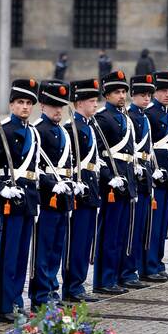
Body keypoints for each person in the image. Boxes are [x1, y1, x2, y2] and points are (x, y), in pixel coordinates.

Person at [0, 79, 41, 323]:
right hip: (10, 199)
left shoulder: (34, 132)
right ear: (11, 104)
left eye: (29, 103)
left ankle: (17, 301)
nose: (25, 107)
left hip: (27, 198)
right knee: (8, 254)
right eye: (20, 102)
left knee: (21, 255)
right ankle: (4, 306)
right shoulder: (3, 131)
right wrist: (1, 189)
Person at [92, 70, 136, 294]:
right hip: (111, 184)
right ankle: (104, 279)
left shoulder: (124, 117)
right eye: (117, 92)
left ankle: (117, 275)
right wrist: (110, 177)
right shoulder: (102, 118)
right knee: (109, 233)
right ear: (107, 95)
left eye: (123, 91)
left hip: (126, 179)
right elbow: (98, 154)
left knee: (121, 233)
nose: (122, 96)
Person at [30, 80, 73, 306]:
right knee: (43, 248)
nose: (58, 110)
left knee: (57, 247)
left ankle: (51, 290)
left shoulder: (62, 131)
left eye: (61, 106)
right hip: (47, 198)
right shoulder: (38, 131)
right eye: (53, 105)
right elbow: (33, 168)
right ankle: (40, 294)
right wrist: (49, 184)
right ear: (43, 106)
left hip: (63, 196)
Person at [63, 79, 103, 302]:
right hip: (79, 191)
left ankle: (78, 283)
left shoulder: (90, 126)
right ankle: (72, 286)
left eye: (96, 100)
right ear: (78, 103)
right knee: (76, 241)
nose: (95, 105)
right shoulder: (72, 128)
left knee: (86, 240)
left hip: (91, 189)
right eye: (91, 101)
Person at [142, 72, 168, 282]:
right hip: (156, 174)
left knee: (163, 224)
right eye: (163, 91)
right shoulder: (150, 114)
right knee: (153, 225)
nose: (167, 94)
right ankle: (148, 265)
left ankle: (157, 263)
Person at [122, 75, 158, 288]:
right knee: (132, 229)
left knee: (142, 228)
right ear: (133, 96)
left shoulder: (144, 117)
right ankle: (127, 271)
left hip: (146, 173)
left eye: (148, 95)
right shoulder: (130, 116)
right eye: (142, 95)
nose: (146, 99)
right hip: (134, 173)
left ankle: (132, 270)